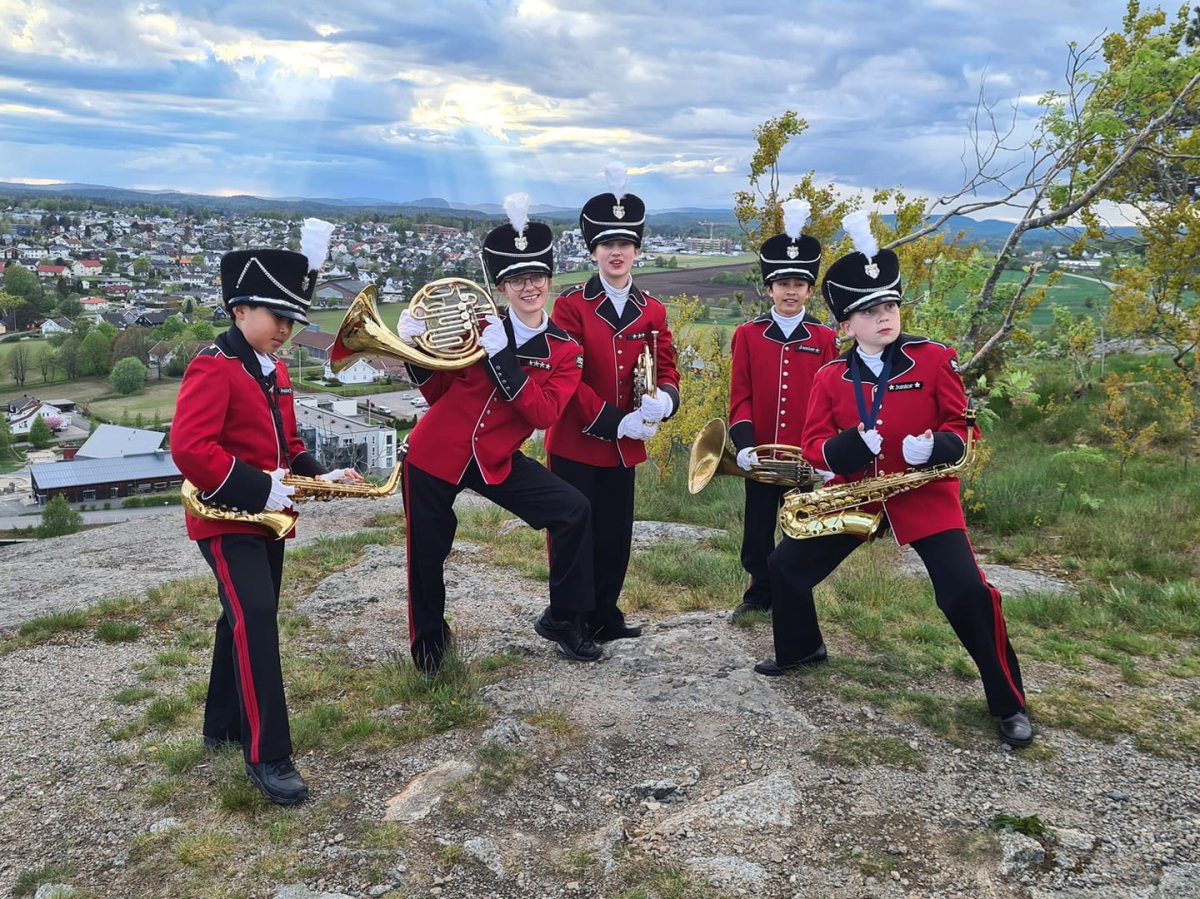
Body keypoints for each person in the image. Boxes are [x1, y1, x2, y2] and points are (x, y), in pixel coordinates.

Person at [756, 212, 1033, 749]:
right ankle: (801, 650)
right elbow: (814, 445)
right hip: (859, 494)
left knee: (967, 593)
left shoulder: (934, 359)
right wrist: (850, 448)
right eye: (869, 311)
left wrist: (935, 449)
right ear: (846, 325)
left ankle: (1009, 703)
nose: (884, 317)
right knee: (784, 566)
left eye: (890, 306)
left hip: (923, 494)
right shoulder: (831, 375)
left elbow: (962, 430)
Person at [172, 219, 364, 805]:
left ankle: (222, 726)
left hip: (268, 516)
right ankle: (268, 754)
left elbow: (287, 443)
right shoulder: (214, 364)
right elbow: (190, 448)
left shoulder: (275, 368)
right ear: (240, 310)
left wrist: (318, 474)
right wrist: (259, 489)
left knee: (242, 616)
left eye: (292, 319)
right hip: (223, 518)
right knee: (256, 618)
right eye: (276, 316)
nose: (285, 329)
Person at [397, 194, 600, 675]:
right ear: (502, 286)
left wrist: (504, 359)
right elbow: (437, 393)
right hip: (434, 454)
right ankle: (429, 650)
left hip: (496, 458)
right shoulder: (476, 329)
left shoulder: (565, 351)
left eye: (537, 277)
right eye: (516, 279)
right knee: (427, 553)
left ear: (550, 282)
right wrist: (413, 352)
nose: (528, 287)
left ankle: (563, 619)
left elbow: (544, 413)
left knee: (573, 510)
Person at [546, 165, 680, 642]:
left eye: (625, 243)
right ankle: (569, 620)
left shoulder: (652, 310)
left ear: (637, 250)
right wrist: (617, 421)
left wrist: (664, 402)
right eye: (607, 244)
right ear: (594, 252)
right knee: (573, 536)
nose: (616, 252)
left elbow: (667, 367)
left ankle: (604, 614)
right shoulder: (571, 306)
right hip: (578, 441)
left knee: (615, 534)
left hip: (625, 448)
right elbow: (567, 379)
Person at [728, 199, 838, 621]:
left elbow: (833, 401)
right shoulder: (748, 334)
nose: (790, 291)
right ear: (769, 288)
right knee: (757, 532)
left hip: (805, 459)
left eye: (799, 283)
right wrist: (744, 446)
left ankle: (792, 594)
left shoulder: (825, 338)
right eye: (782, 283)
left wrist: (827, 455)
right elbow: (741, 397)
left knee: (801, 528)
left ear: (810, 290)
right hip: (762, 457)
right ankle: (758, 593)